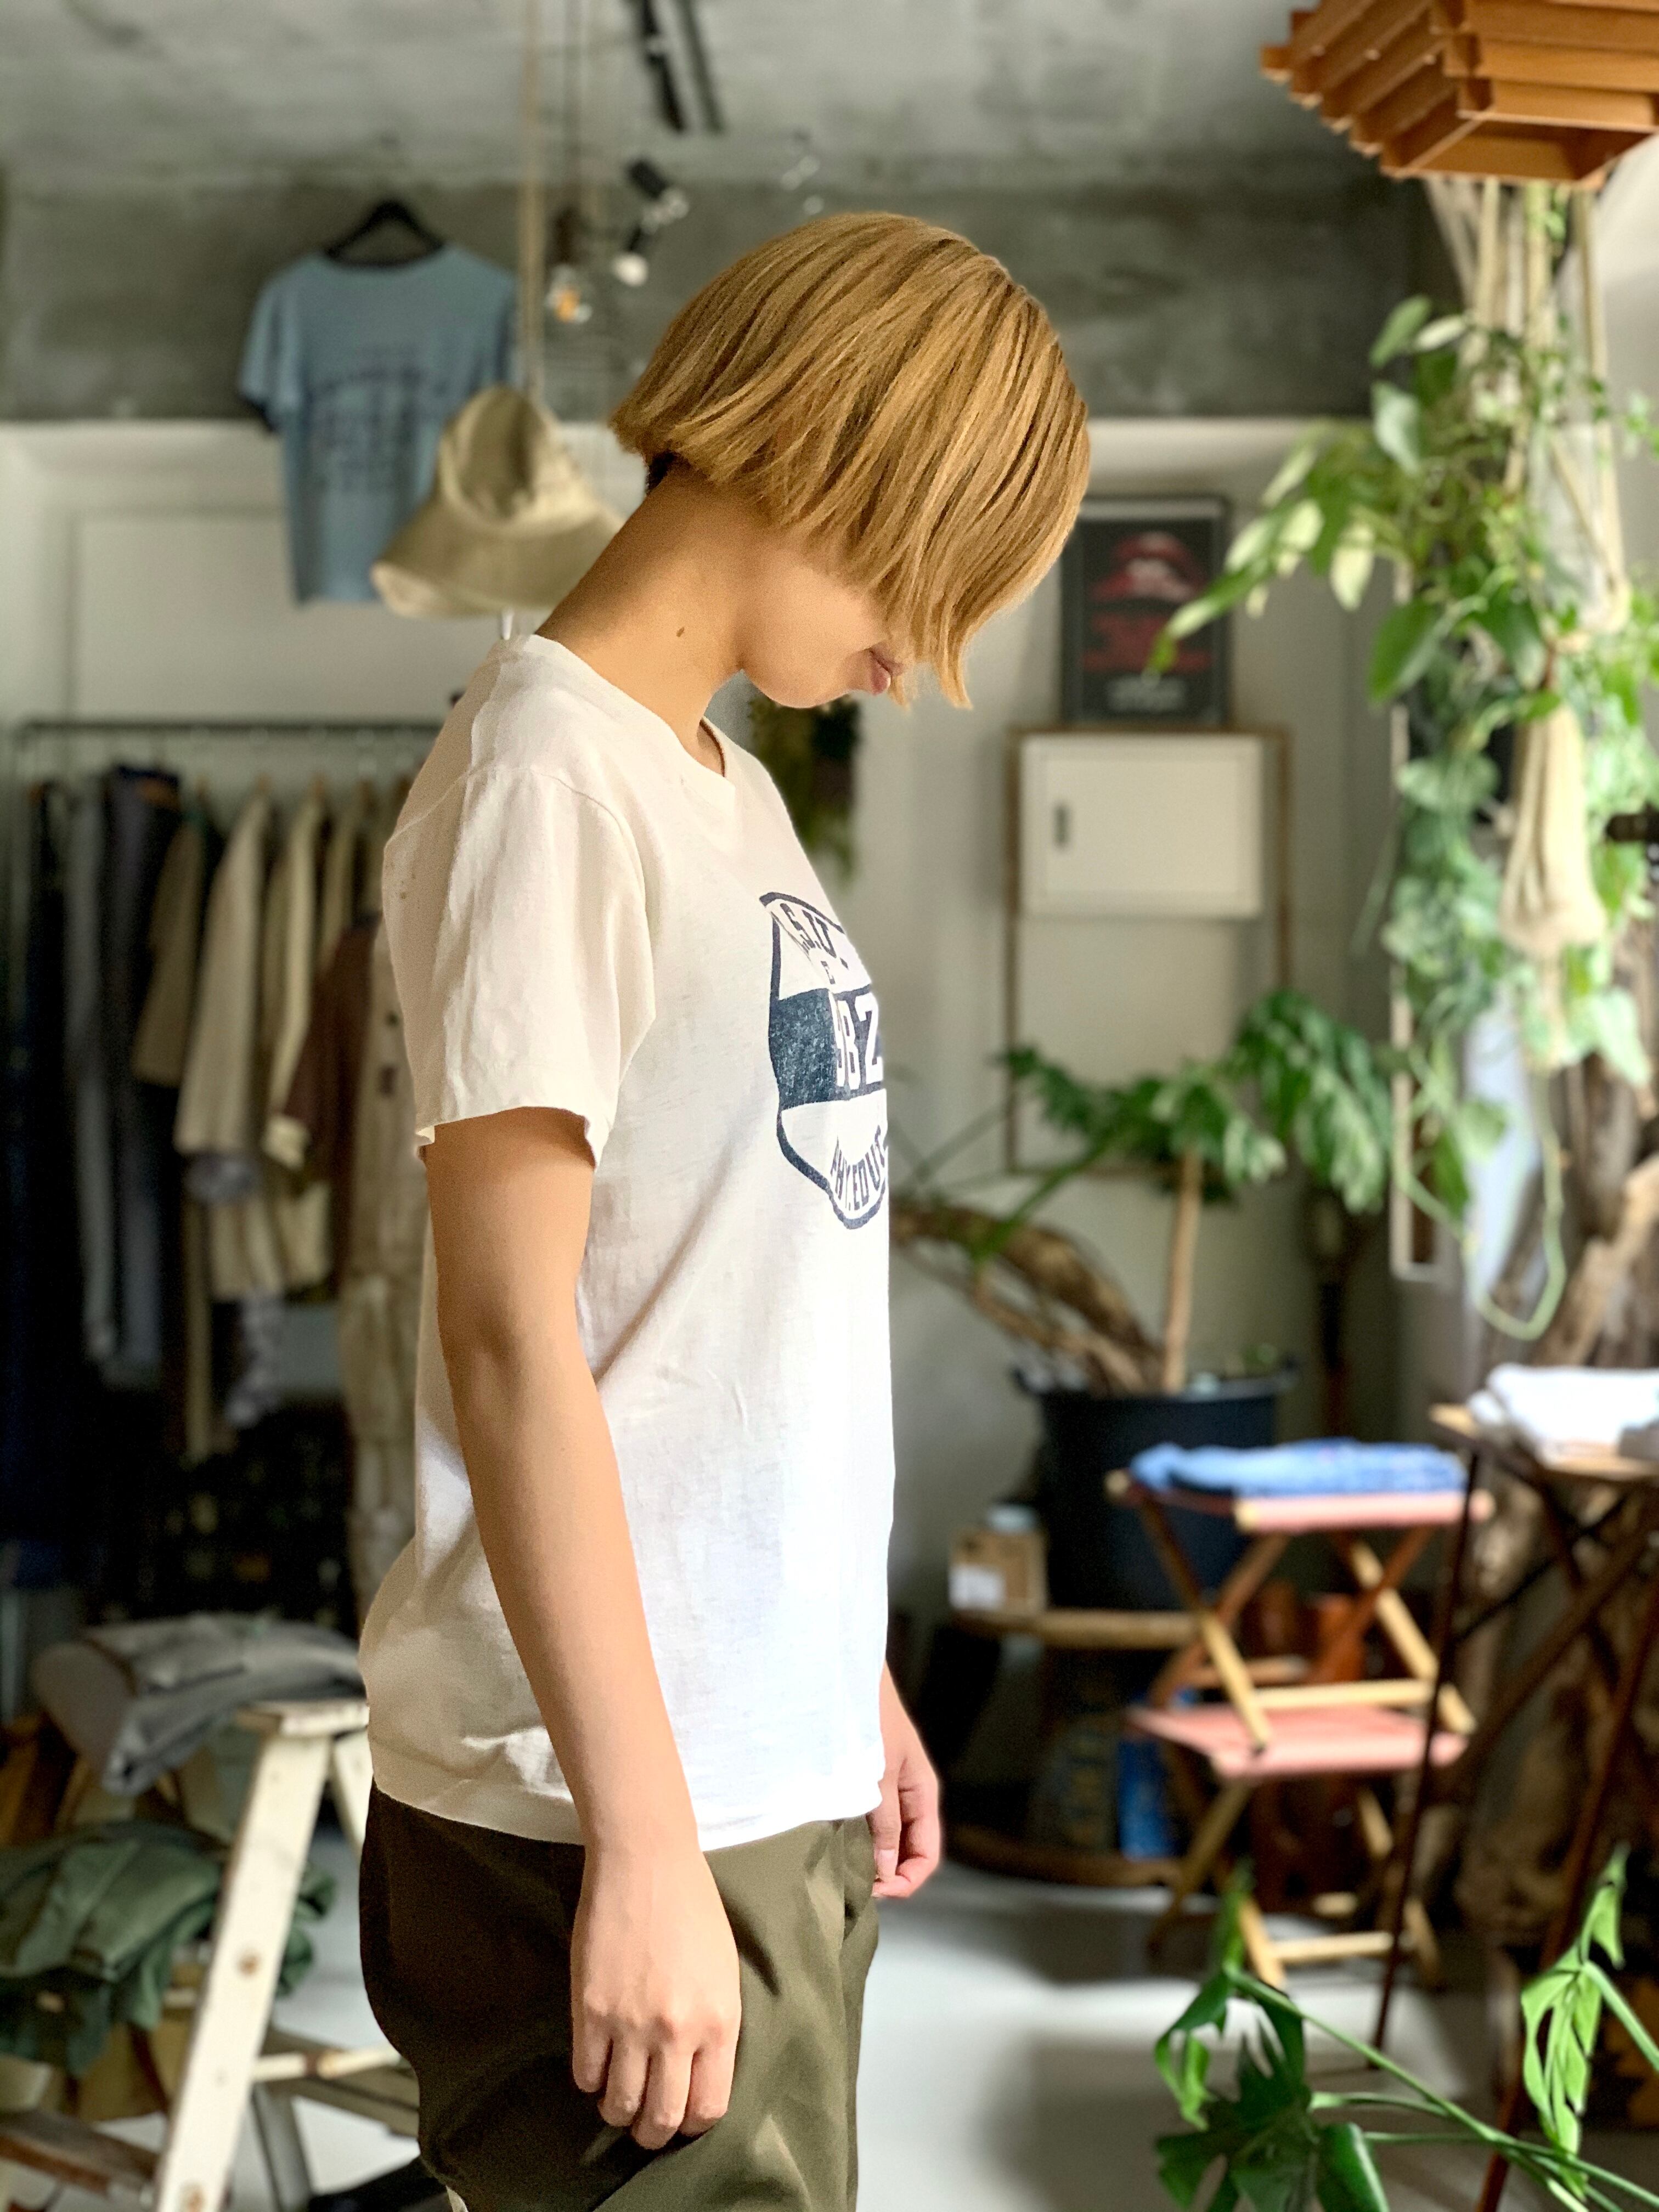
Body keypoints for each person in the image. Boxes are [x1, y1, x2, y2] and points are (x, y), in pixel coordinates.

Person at [356, 210, 1091, 2212]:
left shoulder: (720, 787)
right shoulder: (545, 780)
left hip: (751, 1761)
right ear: (841, 462)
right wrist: (647, 1840)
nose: (926, 668)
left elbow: (727, 1307)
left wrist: (845, 1685)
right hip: (601, 1794)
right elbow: (512, 1341)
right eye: (937, 584)